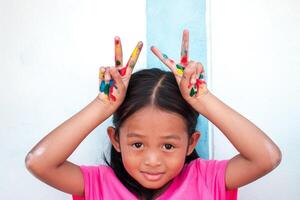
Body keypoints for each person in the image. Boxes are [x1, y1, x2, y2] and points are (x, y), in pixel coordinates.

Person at [25, 30, 282, 200]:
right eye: (137, 144)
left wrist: (203, 99)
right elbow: (39, 162)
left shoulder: (207, 180)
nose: (152, 160)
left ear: (192, 142)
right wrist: (103, 106)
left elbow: (266, 157)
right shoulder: (98, 185)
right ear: (116, 139)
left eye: (168, 145)